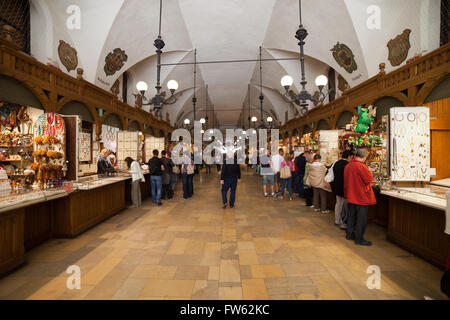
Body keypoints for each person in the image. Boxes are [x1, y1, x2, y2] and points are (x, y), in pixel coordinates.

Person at [344, 148, 376, 246]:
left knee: (351, 216)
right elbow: (368, 180)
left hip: (351, 195)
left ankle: (349, 234)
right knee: (361, 219)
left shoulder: (348, 165)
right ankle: (359, 239)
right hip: (360, 196)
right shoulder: (361, 167)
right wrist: (369, 171)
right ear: (364, 157)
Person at [330, 150, 353, 229]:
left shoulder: (336, 163)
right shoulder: (347, 165)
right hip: (344, 188)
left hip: (336, 187)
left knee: (338, 204)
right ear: (349, 156)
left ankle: (337, 220)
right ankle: (342, 222)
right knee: (344, 206)